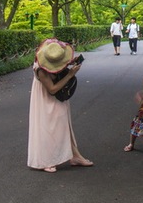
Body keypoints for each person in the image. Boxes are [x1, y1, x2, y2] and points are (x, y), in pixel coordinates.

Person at [28, 38, 94, 173]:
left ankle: (75, 155)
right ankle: (46, 160)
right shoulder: (41, 69)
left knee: (64, 125)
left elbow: (56, 64)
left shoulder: (49, 56)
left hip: (56, 99)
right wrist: (70, 74)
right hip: (46, 99)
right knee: (48, 128)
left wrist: (71, 62)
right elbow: (52, 89)